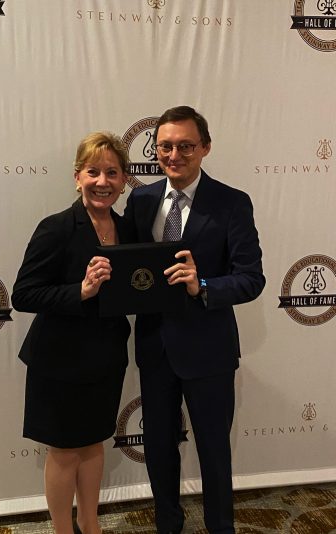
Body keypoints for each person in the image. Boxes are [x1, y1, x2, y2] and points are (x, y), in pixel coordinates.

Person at [124, 106, 265, 534]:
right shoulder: (141, 200)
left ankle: (221, 527)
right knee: (158, 447)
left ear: (205, 147)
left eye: (185, 146)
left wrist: (202, 285)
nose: (174, 155)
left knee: (214, 451)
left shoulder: (232, 203)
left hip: (209, 350)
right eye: (165, 146)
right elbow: (130, 268)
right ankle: (168, 524)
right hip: (155, 348)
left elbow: (251, 279)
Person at [11, 132, 131, 534]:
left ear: (124, 179)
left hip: (106, 357)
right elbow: (23, 294)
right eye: (93, 171)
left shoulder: (127, 229)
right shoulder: (56, 227)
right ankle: (63, 530)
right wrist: (80, 290)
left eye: (112, 172)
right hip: (58, 361)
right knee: (64, 452)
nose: (102, 181)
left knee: (94, 444)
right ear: (77, 177)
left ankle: (90, 524)